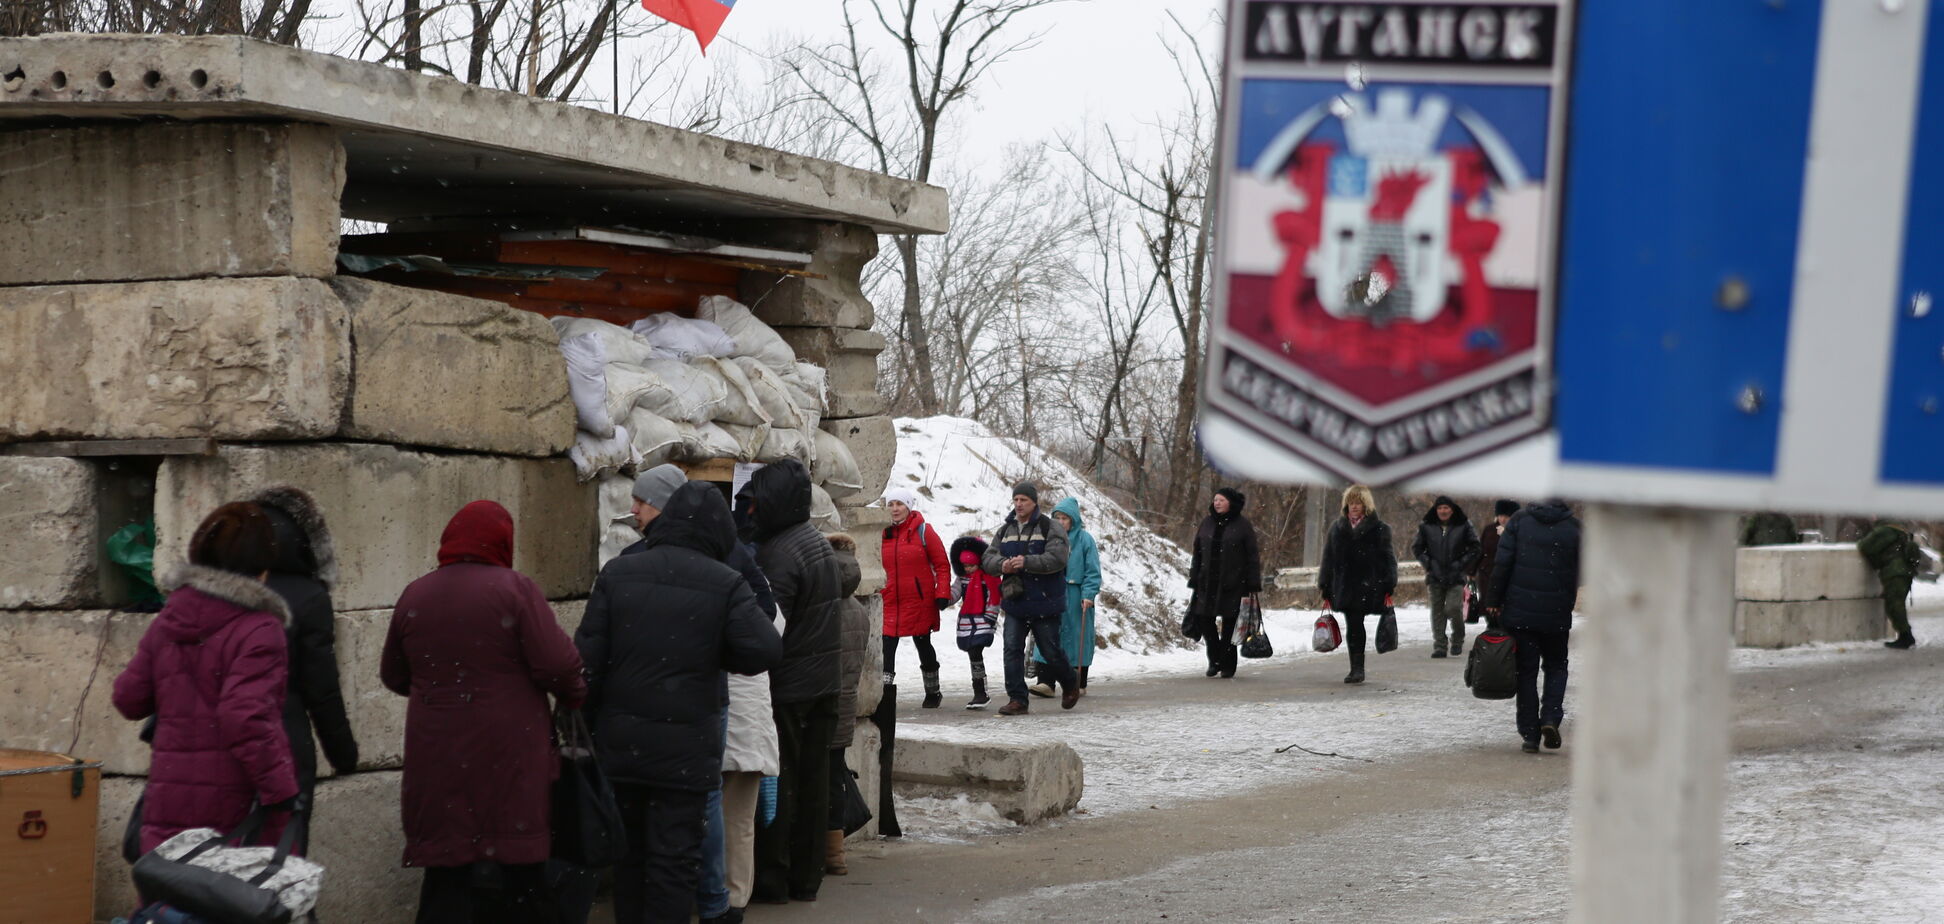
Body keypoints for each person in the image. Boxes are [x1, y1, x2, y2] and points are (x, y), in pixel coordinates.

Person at [576, 481, 784, 924]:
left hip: (623, 746)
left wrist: (591, 732)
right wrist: (716, 653)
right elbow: (765, 649)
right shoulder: (725, 582)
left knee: (629, 858)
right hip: (686, 753)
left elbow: (587, 664)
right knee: (674, 863)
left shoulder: (619, 572)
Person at [381, 500, 588, 923]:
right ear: (502, 542)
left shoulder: (416, 593)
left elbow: (394, 674)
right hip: (508, 756)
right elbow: (558, 665)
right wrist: (573, 696)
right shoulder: (515, 590)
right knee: (521, 874)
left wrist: (442, 695)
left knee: (446, 876)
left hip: (437, 756)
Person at [114, 502, 299, 855]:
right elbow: (245, 716)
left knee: (172, 887)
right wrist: (281, 790)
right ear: (262, 565)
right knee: (236, 887)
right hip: (232, 801)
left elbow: (128, 698)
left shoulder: (169, 619)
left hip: (168, 795)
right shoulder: (259, 628)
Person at [746, 459, 844, 904]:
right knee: (812, 784)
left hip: (790, 689)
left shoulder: (779, 554)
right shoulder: (814, 542)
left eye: (757, 501)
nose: (751, 511)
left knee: (779, 785)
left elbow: (770, 629)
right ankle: (806, 877)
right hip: (822, 683)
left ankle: (774, 878)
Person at [251, 486, 359, 847]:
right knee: (281, 855)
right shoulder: (309, 597)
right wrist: (343, 753)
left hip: (222, 744)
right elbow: (321, 687)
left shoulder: (219, 590)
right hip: (285, 741)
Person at [1483, 499, 1582, 753]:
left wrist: (1493, 600)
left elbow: (1502, 563)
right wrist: (1564, 580)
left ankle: (1530, 734)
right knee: (1556, 666)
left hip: (1520, 611)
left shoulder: (1519, 521)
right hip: (1556, 611)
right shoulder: (1574, 527)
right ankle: (1550, 717)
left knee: (1526, 671)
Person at [983, 482, 1078, 715]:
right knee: (1011, 649)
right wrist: (1002, 565)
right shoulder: (1005, 530)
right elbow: (988, 558)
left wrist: (1027, 562)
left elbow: (1058, 558)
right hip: (1015, 602)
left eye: (1023, 500)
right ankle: (1017, 699)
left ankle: (1070, 680)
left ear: (1034, 502)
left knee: (1050, 651)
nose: (1019, 504)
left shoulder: (1050, 527)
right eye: (1016, 500)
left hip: (1045, 601)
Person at [879, 487, 953, 708]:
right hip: (889, 600)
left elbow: (942, 565)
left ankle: (933, 691)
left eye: (899, 504)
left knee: (923, 644)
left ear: (908, 507)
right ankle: (884, 697)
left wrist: (942, 593)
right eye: (891, 504)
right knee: (886, 648)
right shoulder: (880, 532)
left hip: (918, 601)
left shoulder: (923, 531)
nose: (894, 509)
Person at [1318, 485, 1396, 685]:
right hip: (1345, 585)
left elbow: (1388, 558)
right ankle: (1356, 668)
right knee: (1353, 625)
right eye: (1351, 503)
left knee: (1359, 623)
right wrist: (1325, 584)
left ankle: (1361, 665)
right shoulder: (1337, 528)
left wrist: (1389, 583)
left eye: (1358, 503)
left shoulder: (1379, 529)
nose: (1354, 507)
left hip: (1369, 584)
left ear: (1365, 506)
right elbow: (1328, 558)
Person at [825, 534, 870, 876]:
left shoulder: (820, 610)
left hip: (819, 704)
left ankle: (813, 849)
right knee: (834, 778)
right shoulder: (859, 611)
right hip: (845, 705)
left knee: (815, 779)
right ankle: (835, 853)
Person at [1031, 497, 1104, 697]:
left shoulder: (1085, 540)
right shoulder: (1047, 539)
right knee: (1047, 634)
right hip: (1051, 593)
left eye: (1065, 518)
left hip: (1075, 595)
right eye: (1057, 518)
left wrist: (1088, 594)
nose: (1061, 522)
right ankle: (1045, 682)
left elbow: (1092, 571)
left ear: (1073, 520)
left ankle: (1077, 682)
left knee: (1076, 637)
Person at [1411, 495, 1481, 659]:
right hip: (1434, 575)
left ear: (1452, 509)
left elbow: (1475, 547)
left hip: (1456, 576)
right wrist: (1429, 564)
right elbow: (1417, 548)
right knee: (1437, 612)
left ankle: (1458, 638)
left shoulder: (1463, 524)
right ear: (1436, 510)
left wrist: (1461, 563)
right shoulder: (1426, 525)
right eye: (1440, 508)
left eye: (1446, 508)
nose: (1443, 511)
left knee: (1453, 608)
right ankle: (1440, 646)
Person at [949, 536, 1001, 709]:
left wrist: (990, 618)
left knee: (975, 652)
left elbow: (994, 598)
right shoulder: (963, 578)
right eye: (965, 566)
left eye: (971, 565)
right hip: (967, 621)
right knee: (973, 655)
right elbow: (955, 592)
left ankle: (980, 692)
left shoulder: (989, 578)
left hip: (983, 621)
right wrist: (944, 598)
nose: (968, 569)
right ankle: (980, 692)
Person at [1856, 519, 1926, 649]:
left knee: (1895, 605)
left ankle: (1906, 636)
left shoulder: (1884, 531)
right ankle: (1905, 636)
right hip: (1905, 572)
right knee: (1896, 604)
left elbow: (1864, 546)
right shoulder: (1901, 532)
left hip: (1894, 572)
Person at [1469, 500, 1519, 624]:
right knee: (1489, 606)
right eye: (1500, 515)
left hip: (1510, 575)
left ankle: (1505, 631)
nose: (1503, 519)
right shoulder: (1490, 529)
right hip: (1487, 574)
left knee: (1507, 608)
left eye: (1507, 516)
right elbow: (1480, 550)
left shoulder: (1519, 530)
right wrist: (1472, 570)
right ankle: (1492, 629)